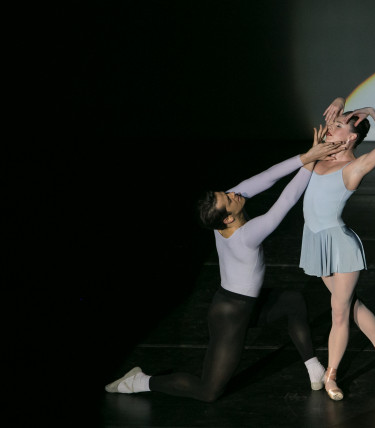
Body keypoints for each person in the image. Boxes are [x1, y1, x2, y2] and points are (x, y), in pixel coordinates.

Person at [105, 129, 343, 402]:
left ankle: (313, 367)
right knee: (209, 391)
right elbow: (287, 199)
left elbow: (268, 176)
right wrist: (310, 162)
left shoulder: (223, 219)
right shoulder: (247, 235)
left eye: (227, 193)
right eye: (228, 199)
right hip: (231, 313)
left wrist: (307, 156)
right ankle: (141, 381)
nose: (234, 194)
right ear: (228, 219)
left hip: (244, 303)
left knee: (293, 301)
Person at [300, 96, 375, 401]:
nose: (330, 129)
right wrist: (342, 100)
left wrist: (371, 110)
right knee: (350, 305)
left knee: (339, 312)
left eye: (337, 126)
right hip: (316, 242)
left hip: (340, 247)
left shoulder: (356, 166)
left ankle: (331, 376)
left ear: (352, 137)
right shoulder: (319, 158)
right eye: (331, 124)